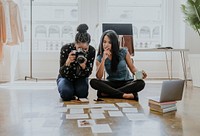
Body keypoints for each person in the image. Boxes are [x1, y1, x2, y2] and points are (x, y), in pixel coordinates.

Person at [90, 30, 147, 101]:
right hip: (111, 83)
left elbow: (132, 68)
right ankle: (124, 95)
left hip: (126, 82)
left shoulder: (123, 52)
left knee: (140, 83)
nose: (106, 45)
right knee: (93, 82)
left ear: (114, 43)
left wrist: (140, 75)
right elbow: (99, 77)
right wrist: (103, 59)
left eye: (109, 42)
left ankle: (109, 94)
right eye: (104, 42)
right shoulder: (100, 57)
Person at [57, 24, 96, 101]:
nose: (81, 51)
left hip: (81, 77)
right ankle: (69, 89)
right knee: (66, 94)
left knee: (82, 94)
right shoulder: (66, 49)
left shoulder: (91, 51)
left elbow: (88, 73)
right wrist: (68, 62)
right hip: (66, 77)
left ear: (88, 45)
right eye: (79, 48)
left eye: (85, 49)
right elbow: (61, 72)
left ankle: (74, 89)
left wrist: (84, 66)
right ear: (75, 43)